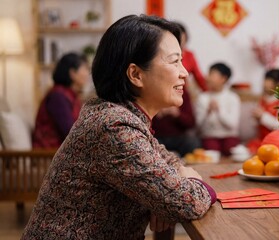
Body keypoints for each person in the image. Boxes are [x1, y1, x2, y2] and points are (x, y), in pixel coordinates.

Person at [22, 15, 216, 239]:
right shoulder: (113, 126)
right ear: (135, 74)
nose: (185, 72)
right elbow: (186, 203)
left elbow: (167, 161)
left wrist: (172, 188)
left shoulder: (122, 115)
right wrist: (191, 182)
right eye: (174, 61)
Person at [32, 52, 90, 149]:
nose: (87, 73)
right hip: (49, 154)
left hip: (63, 151)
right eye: (84, 69)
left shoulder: (71, 95)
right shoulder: (58, 96)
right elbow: (70, 132)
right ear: (73, 73)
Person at [195, 63, 241, 156]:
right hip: (209, 136)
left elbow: (232, 125)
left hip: (229, 136)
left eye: (212, 74)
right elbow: (198, 126)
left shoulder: (233, 98)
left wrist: (219, 110)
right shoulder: (202, 98)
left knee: (232, 150)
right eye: (208, 74)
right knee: (211, 153)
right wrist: (207, 112)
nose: (208, 78)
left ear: (223, 78)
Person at [152, 88, 201, 157]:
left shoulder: (182, 92)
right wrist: (155, 113)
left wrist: (178, 114)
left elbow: (191, 123)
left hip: (179, 137)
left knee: (193, 142)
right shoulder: (152, 91)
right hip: (157, 137)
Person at [252, 69, 279, 140]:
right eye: (265, 80)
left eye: (268, 80)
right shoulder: (262, 99)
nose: (264, 83)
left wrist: (262, 116)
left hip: (275, 140)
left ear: (278, 83)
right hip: (261, 138)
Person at [176, 22, 207, 91]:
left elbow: (198, 77)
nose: (181, 42)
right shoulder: (164, 53)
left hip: (183, 90)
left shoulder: (189, 55)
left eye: (183, 39)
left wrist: (208, 91)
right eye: (178, 39)